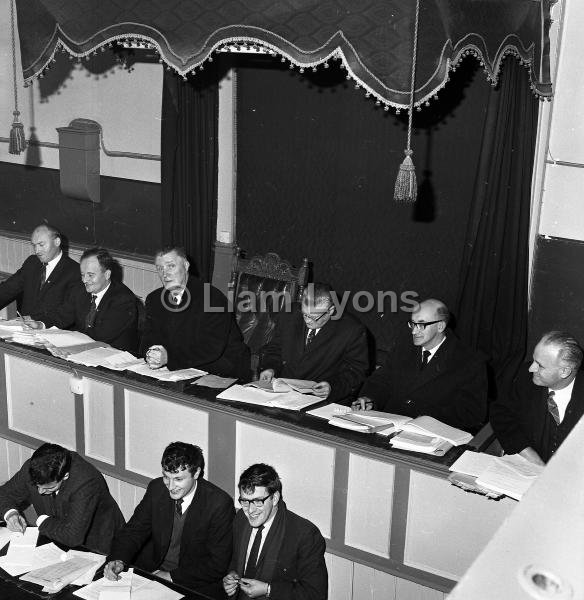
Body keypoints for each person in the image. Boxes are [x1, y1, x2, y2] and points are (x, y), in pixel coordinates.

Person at [105, 442, 234, 595]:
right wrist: (119, 559)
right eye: (166, 477)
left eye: (179, 479)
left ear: (197, 473)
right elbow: (133, 531)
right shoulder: (157, 488)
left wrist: (172, 576)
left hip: (192, 582)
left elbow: (217, 564)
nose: (171, 486)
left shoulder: (219, 504)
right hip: (151, 570)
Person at [355, 298, 487, 433]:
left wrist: (426, 418)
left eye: (421, 325)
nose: (414, 331)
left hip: (432, 433)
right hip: (390, 426)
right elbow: (383, 379)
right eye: (412, 324)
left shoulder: (469, 360)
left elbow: (472, 412)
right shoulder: (404, 345)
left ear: (440, 326)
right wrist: (370, 398)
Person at [140, 246, 250, 379]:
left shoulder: (212, 298)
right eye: (160, 268)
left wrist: (169, 357)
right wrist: (151, 355)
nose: (165, 274)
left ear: (186, 266)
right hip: (178, 370)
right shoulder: (154, 299)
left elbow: (211, 348)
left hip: (221, 371)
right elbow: (147, 339)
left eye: (171, 266)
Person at [223, 463, 327, 600]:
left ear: (275, 498)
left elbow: (315, 595)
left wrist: (269, 590)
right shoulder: (241, 520)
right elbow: (235, 562)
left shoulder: (305, 535)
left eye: (258, 501)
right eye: (245, 502)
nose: (250, 510)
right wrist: (231, 577)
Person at [0, 443, 124, 553]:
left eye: (49, 488)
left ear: (65, 476)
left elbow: (72, 536)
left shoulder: (86, 482)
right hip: (57, 540)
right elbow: (4, 494)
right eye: (36, 486)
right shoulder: (33, 467)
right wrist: (11, 514)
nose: (40, 492)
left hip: (97, 546)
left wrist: (41, 520)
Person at [259, 283, 369, 402]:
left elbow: (356, 372)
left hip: (321, 399)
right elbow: (275, 349)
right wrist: (270, 368)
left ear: (330, 310)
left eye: (313, 317)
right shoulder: (289, 314)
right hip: (282, 393)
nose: (307, 321)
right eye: (305, 314)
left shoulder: (351, 330)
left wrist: (332, 387)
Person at [490, 331, 584, 464]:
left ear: (564, 371)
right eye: (534, 360)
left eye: (540, 365)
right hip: (525, 468)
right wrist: (528, 454)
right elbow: (501, 414)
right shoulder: (524, 378)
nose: (531, 368)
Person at [42, 247, 139, 353]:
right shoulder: (80, 290)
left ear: (107, 274)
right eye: (83, 275)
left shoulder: (123, 300)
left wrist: (65, 343)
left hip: (114, 358)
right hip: (85, 351)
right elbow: (62, 317)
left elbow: (99, 337)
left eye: (90, 275)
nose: (85, 280)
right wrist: (40, 324)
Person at [0, 224, 81, 322]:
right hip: (24, 331)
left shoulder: (74, 271)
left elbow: (68, 312)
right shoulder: (32, 263)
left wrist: (39, 323)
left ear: (57, 242)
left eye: (41, 245)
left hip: (52, 332)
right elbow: (8, 289)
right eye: (34, 245)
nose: (37, 250)